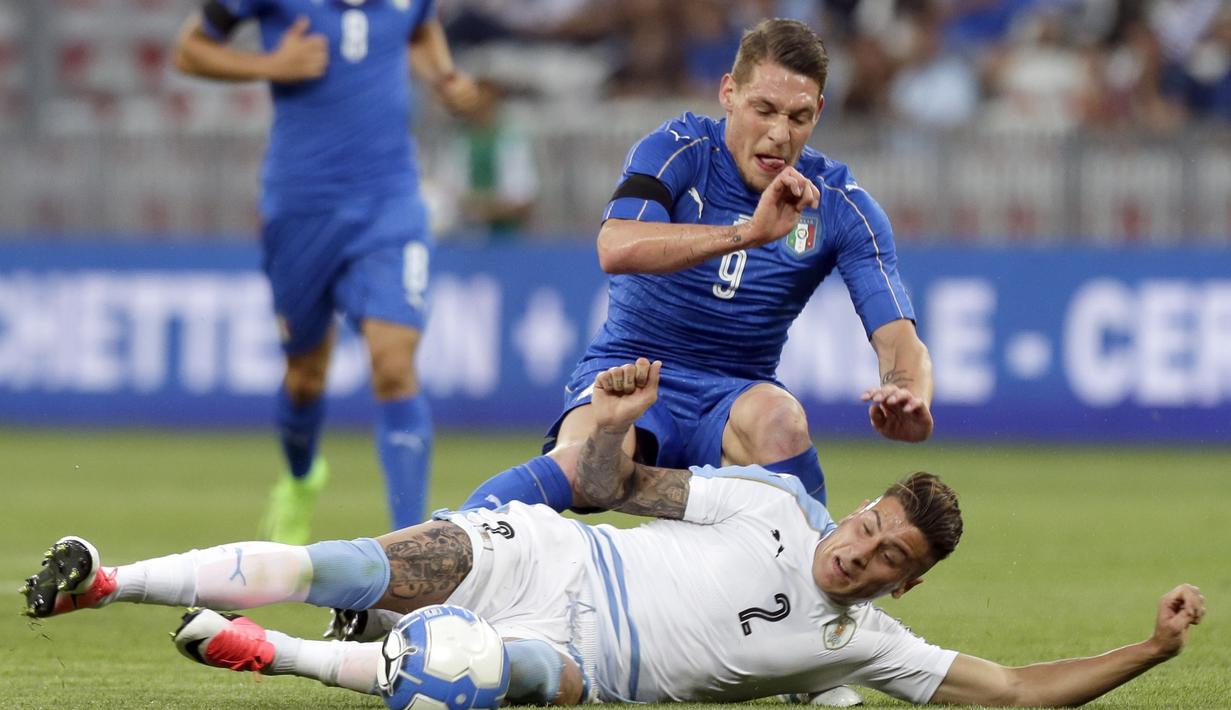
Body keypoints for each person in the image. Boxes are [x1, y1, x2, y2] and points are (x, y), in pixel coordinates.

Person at [21, 359, 1204, 707]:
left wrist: (1147, 649)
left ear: (906, 577)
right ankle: (109, 578)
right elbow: (606, 485)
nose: (861, 547)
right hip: (549, 552)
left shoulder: (864, 645)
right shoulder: (770, 504)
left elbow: (1010, 690)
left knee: (481, 675)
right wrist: (612, 427)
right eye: (868, 520)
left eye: (890, 555)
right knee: (351, 559)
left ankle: (265, 649)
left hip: (588, 663)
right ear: (854, 505)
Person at [461, 18, 933, 516]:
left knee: (782, 422)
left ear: (818, 112)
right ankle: (459, 533)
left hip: (735, 392)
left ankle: (819, 583)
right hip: (630, 369)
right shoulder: (678, 148)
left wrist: (909, 394)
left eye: (798, 117)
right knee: (585, 468)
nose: (778, 134)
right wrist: (747, 233)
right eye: (764, 109)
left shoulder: (840, 203)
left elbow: (899, 340)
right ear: (728, 93)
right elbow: (616, 245)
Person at [171, 0, 480, 542]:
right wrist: (269, 66)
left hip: (391, 202)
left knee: (393, 364)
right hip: (302, 207)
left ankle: (408, 548)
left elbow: (421, 28)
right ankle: (300, 477)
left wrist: (444, 76)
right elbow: (188, 50)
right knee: (305, 377)